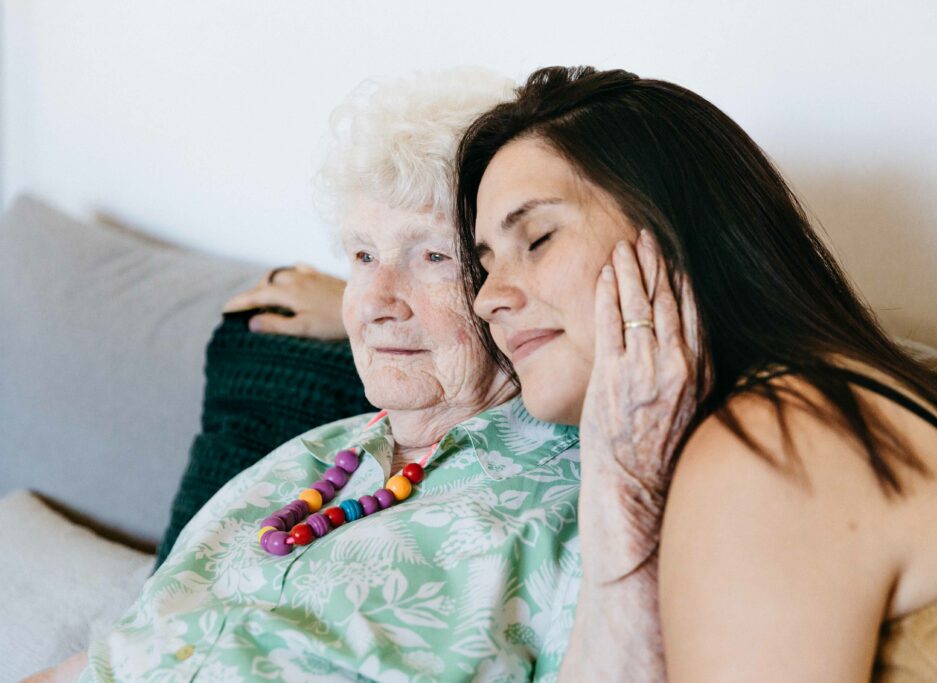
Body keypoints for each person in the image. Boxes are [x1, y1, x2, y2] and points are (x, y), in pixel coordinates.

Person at [454, 66, 937, 681]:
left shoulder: (779, 440)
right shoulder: (807, 406)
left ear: (678, 235)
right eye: (485, 267)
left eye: (537, 239)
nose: (488, 300)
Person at [30, 68, 584, 683]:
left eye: (434, 257)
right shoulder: (299, 466)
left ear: (504, 282)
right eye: (363, 256)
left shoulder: (568, 506)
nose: (376, 300)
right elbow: (115, 656)